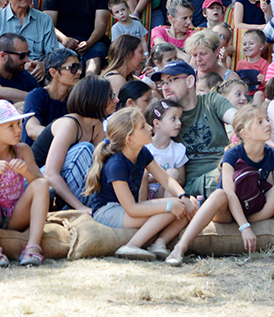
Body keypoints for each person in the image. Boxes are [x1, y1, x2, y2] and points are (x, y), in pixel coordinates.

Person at [165, 104, 274, 265]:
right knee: (219, 194)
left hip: (256, 208)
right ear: (245, 134)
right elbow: (229, 194)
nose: (268, 124)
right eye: (259, 122)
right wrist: (244, 227)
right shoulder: (232, 154)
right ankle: (180, 247)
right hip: (228, 211)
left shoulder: (273, 156)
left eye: (267, 120)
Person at [83, 107, 196, 260]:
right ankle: (132, 245)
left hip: (128, 208)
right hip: (109, 211)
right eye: (143, 127)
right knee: (171, 208)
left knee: (188, 205)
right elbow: (132, 209)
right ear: (129, 139)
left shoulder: (142, 152)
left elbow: (166, 179)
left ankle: (160, 243)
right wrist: (169, 205)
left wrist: (183, 197)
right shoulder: (116, 164)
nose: (150, 127)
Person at [155, 60, 237, 197]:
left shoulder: (211, 101)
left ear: (190, 81)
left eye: (170, 80)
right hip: (197, 182)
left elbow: (238, 118)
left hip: (226, 167)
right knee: (223, 181)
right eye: (163, 83)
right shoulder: (165, 117)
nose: (165, 87)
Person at [29, 76, 112, 211]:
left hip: (58, 185)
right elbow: (50, 174)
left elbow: (100, 165)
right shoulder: (69, 125)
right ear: (96, 98)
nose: (116, 100)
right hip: (36, 183)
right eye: (110, 95)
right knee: (85, 149)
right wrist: (80, 207)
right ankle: (74, 209)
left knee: (101, 162)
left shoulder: (96, 126)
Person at [0, 99, 50, 267]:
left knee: (42, 184)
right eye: (10, 126)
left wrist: (25, 173)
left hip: (15, 215)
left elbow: (40, 183)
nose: (18, 130)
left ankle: (33, 248)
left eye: (18, 124)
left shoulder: (23, 150)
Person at [0, 0, 58, 64]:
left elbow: (53, 55)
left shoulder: (44, 20)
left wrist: (43, 65)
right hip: (7, 74)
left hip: (38, 74)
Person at [22, 48, 80, 143]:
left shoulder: (75, 97)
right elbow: (32, 129)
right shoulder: (36, 96)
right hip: (36, 155)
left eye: (79, 67)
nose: (79, 72)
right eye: (73, 68)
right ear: (53, 72)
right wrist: (63, 137)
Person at [144, 99, 187, 197]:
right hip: (144, 196)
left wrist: (165, 177)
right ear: (157, 123)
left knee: (173, 173)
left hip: (165, 195)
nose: (179, 122)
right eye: (173, 118)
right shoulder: (145, 147)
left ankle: (167, 207)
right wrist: (158, 178)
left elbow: (181, 180)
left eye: (179, 118)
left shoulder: (178, 149)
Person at [0, 33, 40, 103]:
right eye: (22, 56)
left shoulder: (24, 76)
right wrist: (34, 98)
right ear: (3, 56)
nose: (26, 60)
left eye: (28, 54)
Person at [101, 34, 146, 99]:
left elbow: (152, 90)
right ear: (128, 54)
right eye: (140, 52)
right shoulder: (117, 80)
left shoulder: (129, 77)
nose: (144, 57)